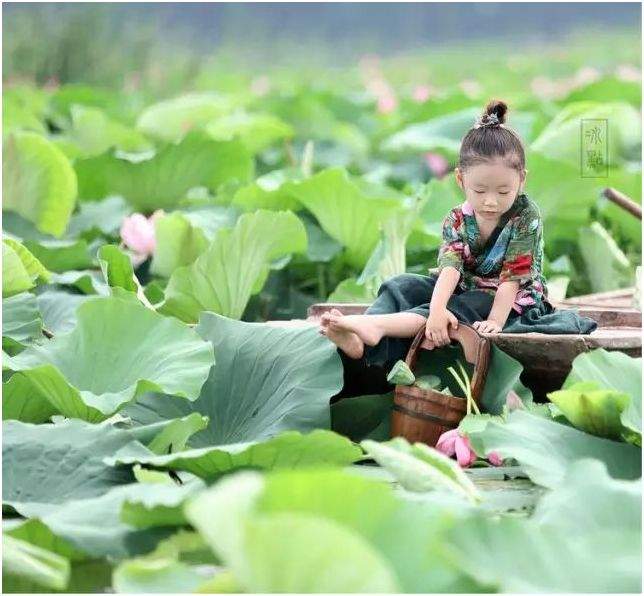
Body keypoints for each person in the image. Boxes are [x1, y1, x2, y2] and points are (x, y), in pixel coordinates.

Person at [319, 99, 596, 376]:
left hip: (511, 302)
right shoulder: (457, 218)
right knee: (402, 286)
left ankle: (378, 327)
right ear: (461, 180)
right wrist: (437, 310)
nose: (490, 201)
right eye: (479, 190)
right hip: (463, 288)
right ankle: (361, 340)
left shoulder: (526, 216)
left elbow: (511, 281)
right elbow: (450, 270)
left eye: (503, 192)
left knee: (467, 305)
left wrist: (496, 322)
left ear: (521, 179)